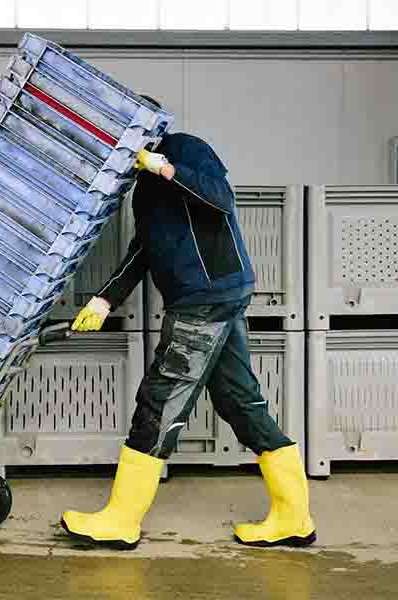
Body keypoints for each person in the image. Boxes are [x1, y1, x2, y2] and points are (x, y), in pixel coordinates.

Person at [60, 104, 316, 551]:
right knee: (240, 402)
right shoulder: (142, 190)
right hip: (214, 298)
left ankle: (121, 520)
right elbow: (144, 250)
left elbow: (220, 199)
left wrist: (164, 167)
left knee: (160, 400)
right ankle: (294, 516)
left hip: (205, 299)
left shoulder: (186, 150)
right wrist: (105, 300)